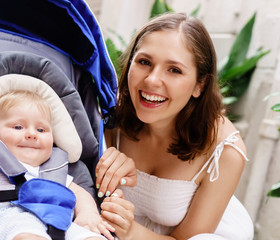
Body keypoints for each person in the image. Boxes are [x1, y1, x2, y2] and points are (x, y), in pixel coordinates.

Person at [95, 12, 254, 240]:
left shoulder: (226, 151)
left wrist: (130, 231)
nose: (151, 80)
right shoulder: (110, 116)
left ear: (200, 85)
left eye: (174, 70)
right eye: (144, 62)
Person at [0, 90, 114, 240]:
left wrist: (88, 214)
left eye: (41, 130)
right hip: (3, 221)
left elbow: (80, 194)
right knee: (25, 231)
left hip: (57, 223)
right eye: (18, 127)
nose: (32, 134)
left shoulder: (53, 169)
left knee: (89, 236)